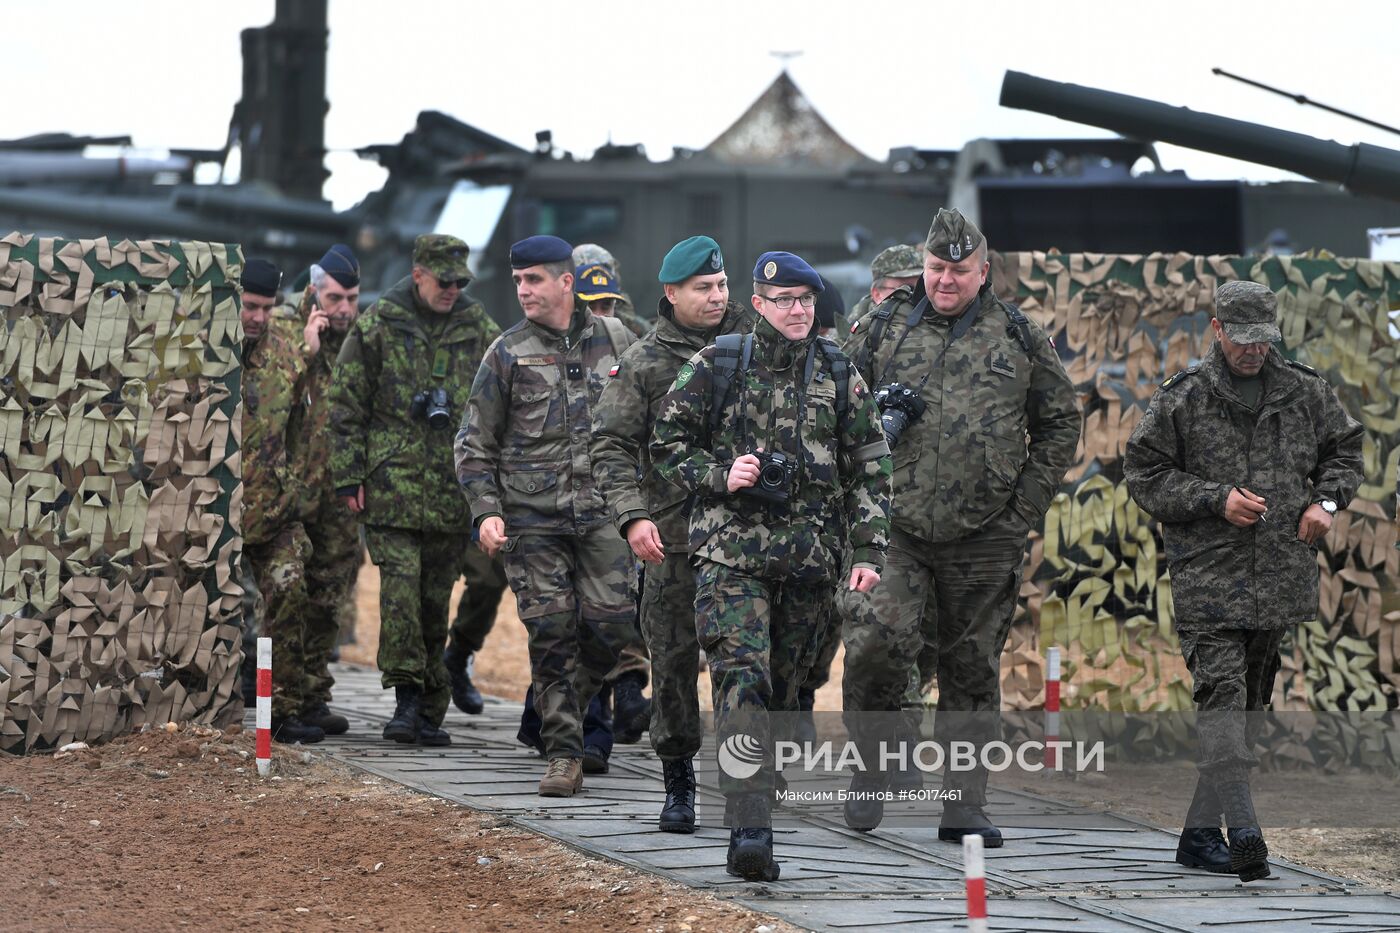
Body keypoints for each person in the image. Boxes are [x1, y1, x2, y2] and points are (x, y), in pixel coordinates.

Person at [841, 209, 1081, 841]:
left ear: (985, 270)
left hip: (983, 533)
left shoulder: (1019, 336)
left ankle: (963, 804)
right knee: (872, 647)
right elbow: (833, 406)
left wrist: (1023, 511)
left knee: (971, 671)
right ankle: (872, 770)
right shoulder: (882, 326)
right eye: (936, 269)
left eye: (959, 271)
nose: (945, 282)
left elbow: (1060, 421)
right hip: (892, 528)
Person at [651, 250, 891, 881]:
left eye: (807, 301)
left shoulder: (838, 369)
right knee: (741, 678)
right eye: (785, 300)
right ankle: (749, 827)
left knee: (786, 690)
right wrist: (720, 474)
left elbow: (870, 462)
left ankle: (760, 788)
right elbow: (667, 445)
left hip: (810, 563)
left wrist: (868, 551)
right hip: (731, 556)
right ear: (758, 304)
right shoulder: (720, 362)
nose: (798, 311)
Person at [1124, 280, 1363, 883]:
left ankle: (1199, 836)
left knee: (1250, 706)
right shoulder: (1185, 398)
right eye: (1241, 340)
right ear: (1217, 329)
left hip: (1279, 576)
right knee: (1223, 699)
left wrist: (1326, 505)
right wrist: (1213, 498)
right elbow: (1144, 472)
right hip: (1209, 577)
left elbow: (1346, 452)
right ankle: (1246, 830)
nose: (1253, 352)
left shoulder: (1305, 391)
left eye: (1263, 341)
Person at [456, 235, 638, 798]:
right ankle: (563, 752)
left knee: (616, 624)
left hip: (604, 514)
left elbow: (648, 422)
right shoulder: (506, 352)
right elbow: (472, 443)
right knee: (551, 633)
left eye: (533, 280)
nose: (523, 291)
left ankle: (561, 709)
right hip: (532, 522)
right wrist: (486, 511)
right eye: (517, 281)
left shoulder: (617, 339)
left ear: (566, 282)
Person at [592, 235, 754, 832]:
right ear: (671, 293)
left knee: (750, 666)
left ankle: (749, 783)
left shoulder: (758, 341)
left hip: (752, 542)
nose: (717, 297)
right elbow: (609, 444)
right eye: (702, 289)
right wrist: (633, 516)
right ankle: (679, 781)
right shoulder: (645, 361)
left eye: (721, 286)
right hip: (676, 541)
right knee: (676, 664)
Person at [329, 234, 499, 747]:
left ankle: (430, 707)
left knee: (433, 600)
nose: (452, 290)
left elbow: (500, 404)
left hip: (452, 491)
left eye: (459, 282)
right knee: (400, 595)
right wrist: (348, 475)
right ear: (418, 273)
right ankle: (405, 697)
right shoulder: (380, 324)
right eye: (443, 280)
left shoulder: (478, 331)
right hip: (391, 485)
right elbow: (345, 403)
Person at [269, 244, 366, 737]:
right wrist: (306, 350)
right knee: (290, 593)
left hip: (338, 492)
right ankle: (282, 703)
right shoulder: (284, 329)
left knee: (329, 594)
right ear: (313, 292)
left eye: (351, 297)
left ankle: (313, 696)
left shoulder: (359, 339)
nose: (344, 308)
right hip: (289, 491)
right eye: (334, 297)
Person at [240, 258, 323, 744]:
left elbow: (305, 431)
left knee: (290, 590)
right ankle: (216, 701)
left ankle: (285, 710)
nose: (257, 317)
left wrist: (295, 490)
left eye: (266, 308)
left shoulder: (287, 355)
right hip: (216, 517)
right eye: (249, 306)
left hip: (274, 511)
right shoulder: (205, 353)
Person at [573, 242, 649, 337]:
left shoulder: (636, 329)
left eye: (606, 305)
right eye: (590, 306)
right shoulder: (560, 332)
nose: (599, 316)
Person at [846, 244, 924, 327]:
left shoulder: (934, 321)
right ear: (877, 294)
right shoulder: (857, 334)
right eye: (904, 290)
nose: (913, 295)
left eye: (920, 287)